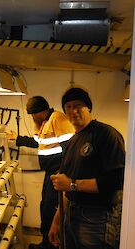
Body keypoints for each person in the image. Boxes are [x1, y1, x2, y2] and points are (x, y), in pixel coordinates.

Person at [49, 87, 125, 249]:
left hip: (97, 218)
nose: (73, 110)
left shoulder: (106, 134)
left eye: (78, 105)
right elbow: (65, 188)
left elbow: (115, 181)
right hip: (71, 214)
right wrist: (56, 222)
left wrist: (71, 184)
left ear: (88, 107)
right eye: (68, 107)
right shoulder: (72, 141)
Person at [13, 96, 75, 249]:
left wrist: (64, 172)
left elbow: (69, 147)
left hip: (58, 173)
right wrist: (18, 139)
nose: (32, 118)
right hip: (50, 174)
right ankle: (46, 243)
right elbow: (38, 143)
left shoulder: (57, 119)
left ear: (40, 111)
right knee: (45, 207)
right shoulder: (44, 123)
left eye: (32, 114)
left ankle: (52, 245)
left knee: (52, 209)